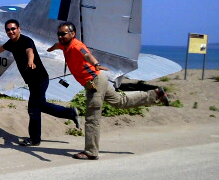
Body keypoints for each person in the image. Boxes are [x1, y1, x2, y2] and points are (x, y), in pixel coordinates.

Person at [47, 22, 169, 160]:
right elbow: (58, 45)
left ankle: (91, 152)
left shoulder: (77, 46)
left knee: (92, 118)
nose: (60, 36)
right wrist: (50, 49)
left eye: (63, 34)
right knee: (120, 101)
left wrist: (97, 64)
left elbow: (87, 55)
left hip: (95, 82)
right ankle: (155, 94)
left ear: (73, 34)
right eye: (59, 34)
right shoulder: (64, 44)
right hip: (98, 81)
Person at [0, 19, 80, 147]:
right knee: (41, 105)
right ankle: (70, 113)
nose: (11, 31)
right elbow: (1, 48)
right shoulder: (11, 43)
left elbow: (30, 51)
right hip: (33, 81)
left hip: (39, 79)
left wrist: (30, 61)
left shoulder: (26, 41)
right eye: (8, 30)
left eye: (13, 29)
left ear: (19, 29)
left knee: (33, 110)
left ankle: (34, 139)